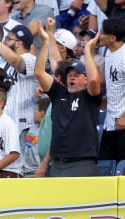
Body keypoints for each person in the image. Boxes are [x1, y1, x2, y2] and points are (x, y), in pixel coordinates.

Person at [34, 23, 101, 177]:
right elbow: (39, 72)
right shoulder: (59, 94)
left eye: (77, 74)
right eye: (69, 74)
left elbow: (95, 81)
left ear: (85, 79)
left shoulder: (89, 97)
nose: (71, 76)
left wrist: (88, 52)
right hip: (57, 164)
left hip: (83, 164)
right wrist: (45, 42)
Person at [0, 24, 38, 134]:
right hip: (6, 123)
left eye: (8, 39)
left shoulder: (32, 59)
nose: (4, 41)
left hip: (25, 125)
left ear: (19, 44)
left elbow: (15, 61)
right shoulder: (2, 62)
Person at [98, 18, 125, 161]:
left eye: (102, 32)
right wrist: (108, 95)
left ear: (113, 38)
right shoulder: (108, 52)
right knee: (105, 165)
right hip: (110, 123)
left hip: (122, 122)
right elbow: (112, 80)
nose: (99, 35)